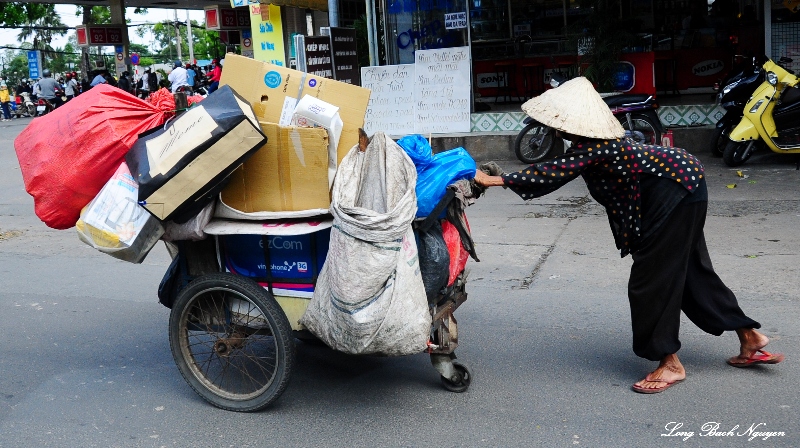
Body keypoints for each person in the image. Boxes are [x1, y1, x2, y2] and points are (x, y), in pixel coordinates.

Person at [473, 77, 784, 394]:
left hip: (675, 194)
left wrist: (490, 181)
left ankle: (670, 363)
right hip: (685, 186)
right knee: (691, 272)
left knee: (650, 280)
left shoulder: (593, 148)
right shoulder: (594, 145)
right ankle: (751, 339)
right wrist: (503, 179)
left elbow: (550, 173)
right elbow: (560, 168)